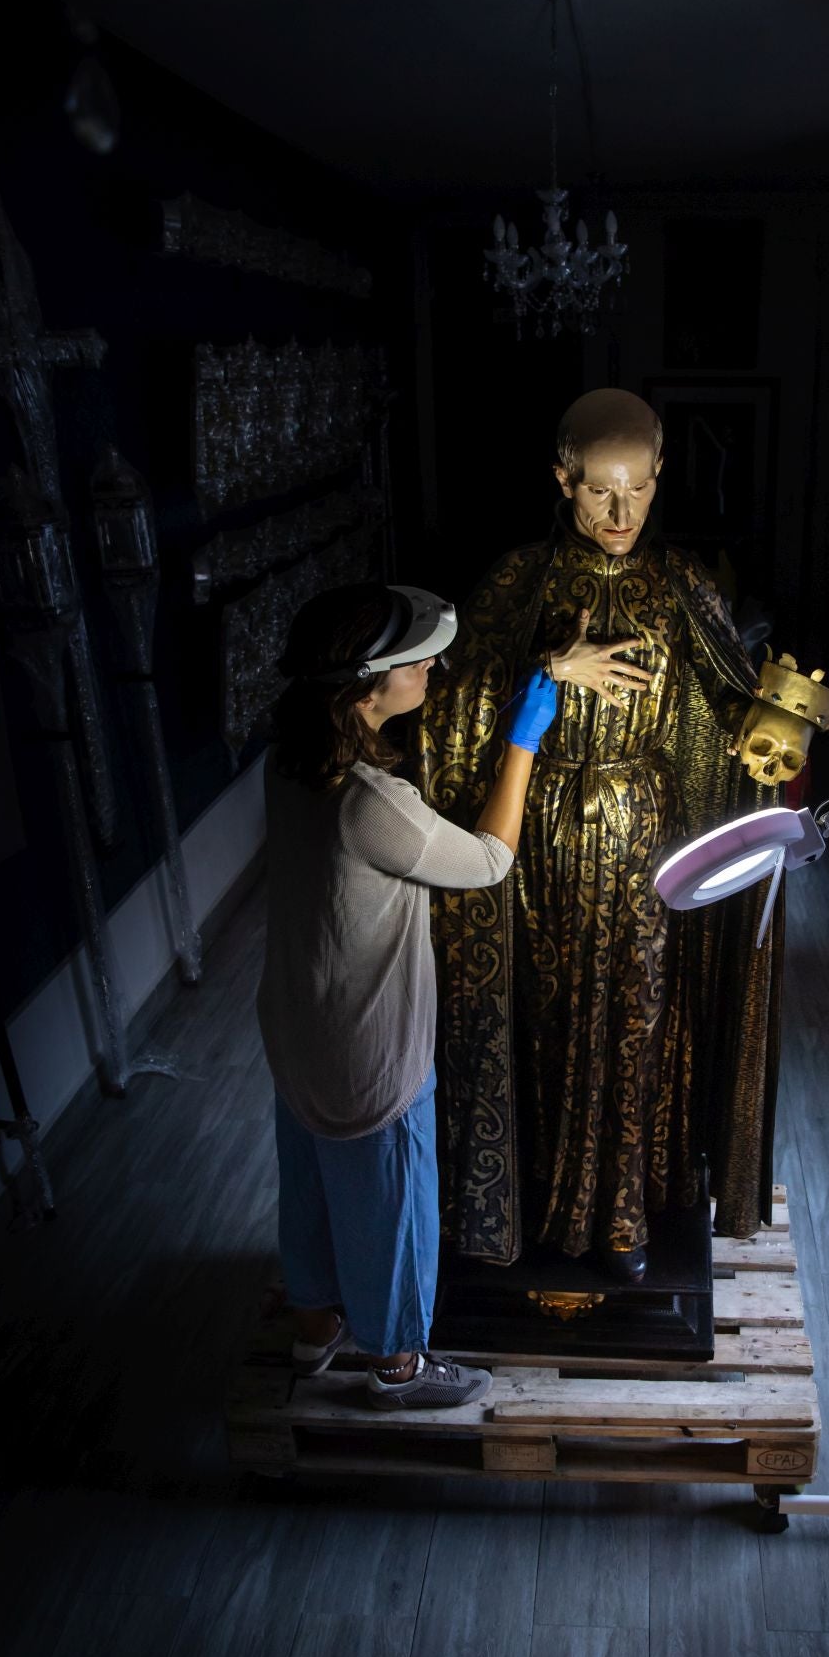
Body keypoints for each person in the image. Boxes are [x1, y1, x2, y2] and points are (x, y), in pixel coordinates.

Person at [417, 389, 782, 1285]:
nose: (621, 513)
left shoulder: (682, 584)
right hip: (538, 834)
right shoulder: (520, 581)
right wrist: (547, 666)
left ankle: (624, 1212)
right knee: (543, 1015)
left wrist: (776, 728)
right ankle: (537, 1196)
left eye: (639, 489)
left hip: (643, 835)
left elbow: (730, 710)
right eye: (598, 492)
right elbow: (447, 705)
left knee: (637, 1015)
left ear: (659, 475)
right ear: (562, 479)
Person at [256, 579, 557, 1406]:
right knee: (392, 1202)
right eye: (417, 662)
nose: (431, 670)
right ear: (363, 689)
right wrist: (522, 744)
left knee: (310, 1183)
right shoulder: (370, 803)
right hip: (365, 1046)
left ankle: (314, 1328)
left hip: (296, 1022)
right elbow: (489, 861)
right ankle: (398, 1367)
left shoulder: (287, 760)